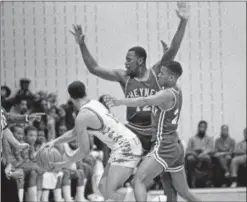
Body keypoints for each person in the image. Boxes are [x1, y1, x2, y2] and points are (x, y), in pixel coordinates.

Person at [71, 2, 189, 201]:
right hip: (133, 132)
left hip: (154, 133)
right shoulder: (124, 76)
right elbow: (95, 68)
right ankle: (116, 192)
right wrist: (82, 44)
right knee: (115, 182)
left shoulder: (155, 71)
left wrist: (183, 21)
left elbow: (174, 49)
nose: (125, 63)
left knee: (168, 183)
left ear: (140, 61)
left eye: (129, 59)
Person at [105, 60, 201, 202]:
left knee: (138, 180)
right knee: (182, 190)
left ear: (171, 78)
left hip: (164, 145)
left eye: (162, 74)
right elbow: (165, 77)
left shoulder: (166, 94)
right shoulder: (177, 89)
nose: (158, 76)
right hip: (175, 144)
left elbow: (143, 100)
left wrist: (120, 102)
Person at [45, 81, 143, 202]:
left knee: (108, 190)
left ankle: (133, 197)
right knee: (104, 188)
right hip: (130, 143)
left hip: (125, 148)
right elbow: (75, 132)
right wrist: (55, 141)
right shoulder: (95, 104)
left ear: (71, 97)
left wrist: (65, 163)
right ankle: (131, 196)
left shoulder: (83, 115)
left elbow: (84, 150)